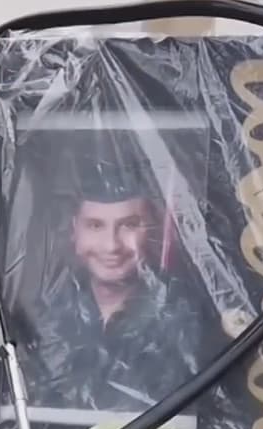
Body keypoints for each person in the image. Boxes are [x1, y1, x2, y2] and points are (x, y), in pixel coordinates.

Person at [26, 154, 208, 413]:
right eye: (95, 225)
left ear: (153, 230)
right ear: (75, 232)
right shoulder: (44, 319)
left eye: (129, 225)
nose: (112, 245)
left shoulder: (184, 321)